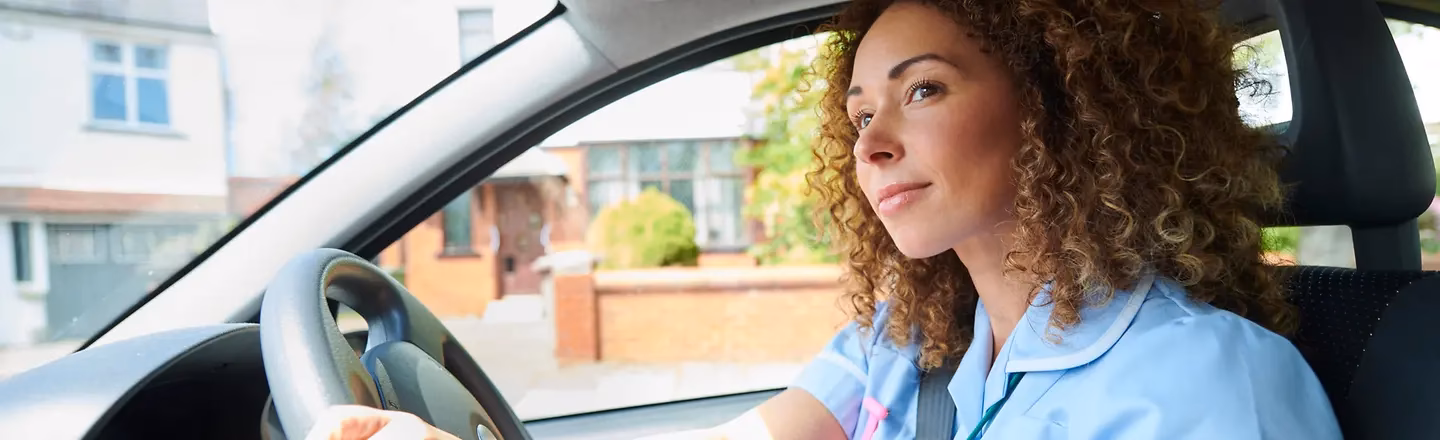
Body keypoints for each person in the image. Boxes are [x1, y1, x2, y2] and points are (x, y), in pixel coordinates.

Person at [308, 0, 1343, 439]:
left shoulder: (1212, 383)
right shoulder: (910, 341)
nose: (872, 143)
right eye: (859, 114)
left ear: (1056, 103)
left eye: (923, 90)